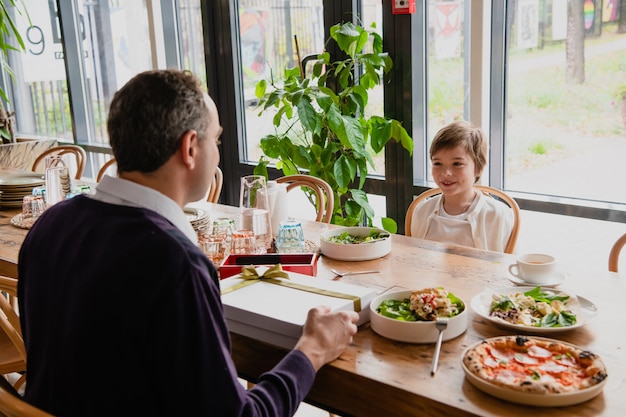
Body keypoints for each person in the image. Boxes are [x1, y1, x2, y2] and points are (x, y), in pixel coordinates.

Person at [17, 69, 359, 416]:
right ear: (190, 147)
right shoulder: (174, 263)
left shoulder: (49, 226)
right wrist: (312, 350)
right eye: (217, 140)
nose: (218, 153)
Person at [409, 120, 513, 252]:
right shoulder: (422, 211)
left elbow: (509, 266)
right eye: (437, 164)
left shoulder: (497, 215)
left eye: (457, 164)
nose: (446, 173)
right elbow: (414, 261)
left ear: (478, 168)